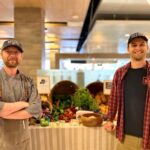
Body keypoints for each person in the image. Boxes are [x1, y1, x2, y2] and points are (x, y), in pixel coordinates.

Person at [104, 32, 150, 150]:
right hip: (126, 137)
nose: (138, 48)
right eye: (134, 45)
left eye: (142, 44)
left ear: (147, 47)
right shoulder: (120, 73)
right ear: (128, 49)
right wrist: (109, 119)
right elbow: (113, 99)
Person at [0, 39, 41, 150]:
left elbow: (36, 109)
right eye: (8, 51)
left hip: (22, 143)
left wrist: (3, 113)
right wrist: (22, 104)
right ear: (1, 54)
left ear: (21, 56)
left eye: (16, 52)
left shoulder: (29, 82)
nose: (12, 55)